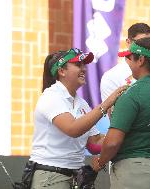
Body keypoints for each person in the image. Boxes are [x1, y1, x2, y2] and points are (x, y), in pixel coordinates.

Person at [29, 48, 126, 189]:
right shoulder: (51, 96)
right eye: (78, 65)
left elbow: (94, 143)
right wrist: (107, 103)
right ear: (61, 71)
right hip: (50, 176)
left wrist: (124, 132)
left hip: (76, 177)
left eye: (84, 65)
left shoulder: (82, 103)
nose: (84, 69)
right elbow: (73, 129)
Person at [92, 37, 150, 189]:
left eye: (129, 57)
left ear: (141, 60)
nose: (127, 61)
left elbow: (113, 141)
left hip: (137, 172)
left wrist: (100, 162)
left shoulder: (132, 94)